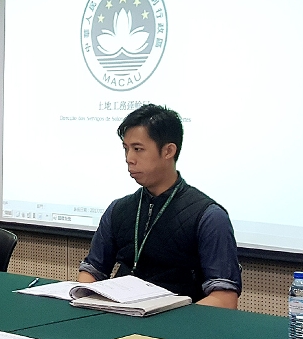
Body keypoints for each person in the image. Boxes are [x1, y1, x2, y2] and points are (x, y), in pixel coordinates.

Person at [78, 104, 242, 308]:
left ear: (168, 151)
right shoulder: (119, 209)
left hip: (176, 329)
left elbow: (225, 299)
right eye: (126, 149)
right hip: (119, 319)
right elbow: (91, 272)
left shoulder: (208, 216)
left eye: (138, 149)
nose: (129, 159)